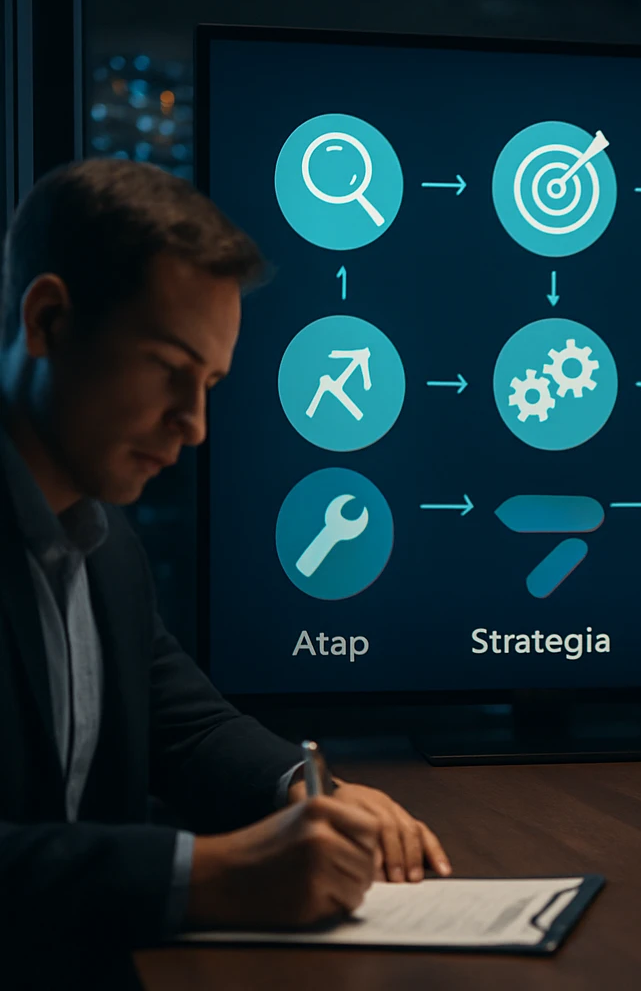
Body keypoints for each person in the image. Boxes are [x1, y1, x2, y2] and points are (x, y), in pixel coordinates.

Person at [0, 160, 451, 974]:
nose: (196, 423)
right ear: (50, 322)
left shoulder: (102, 547)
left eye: (208, 383)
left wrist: (306, 792)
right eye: (171, 369)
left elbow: (189, 726)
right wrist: (204, 876)